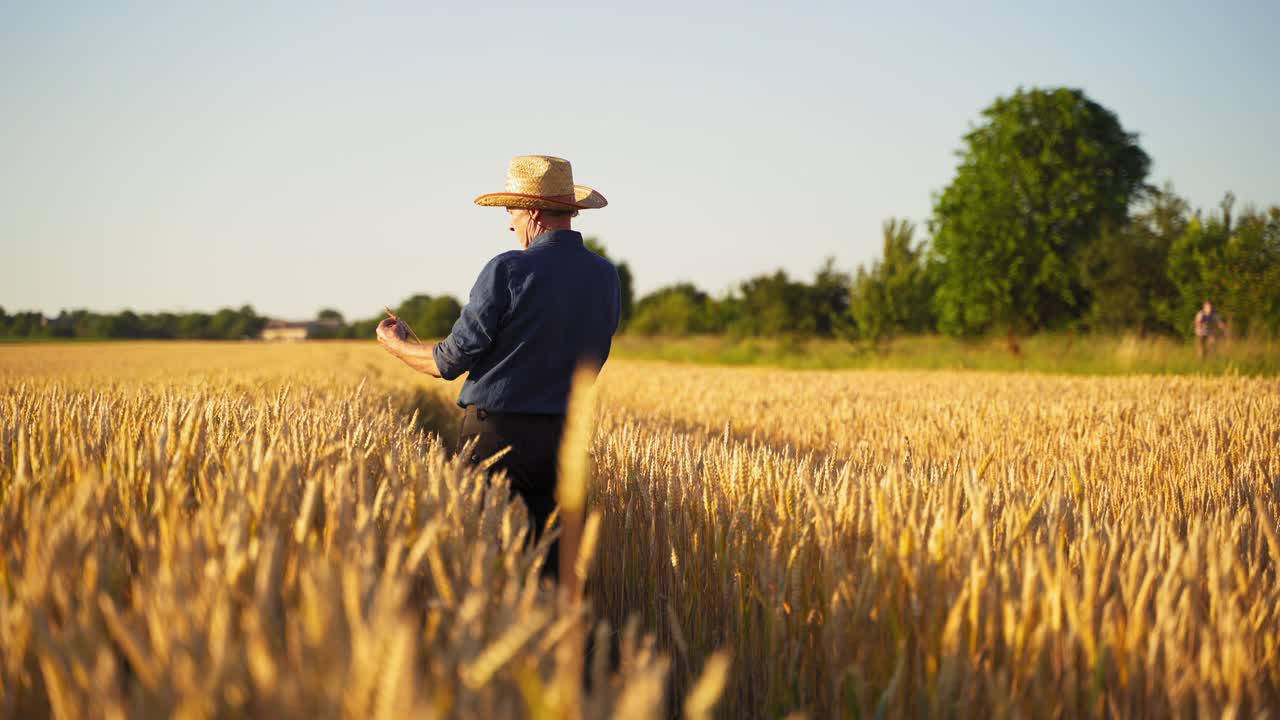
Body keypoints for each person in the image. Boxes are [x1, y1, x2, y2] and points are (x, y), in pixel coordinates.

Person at [375, 155, 620, 579]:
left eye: (512, 211)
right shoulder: (605, 275)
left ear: (534, 213)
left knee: (489, 566)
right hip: (564, 439)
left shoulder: (508, 268)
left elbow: (449, 362)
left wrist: (395, 346)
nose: (510, 224)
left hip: (497, 437)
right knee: (551, 569)